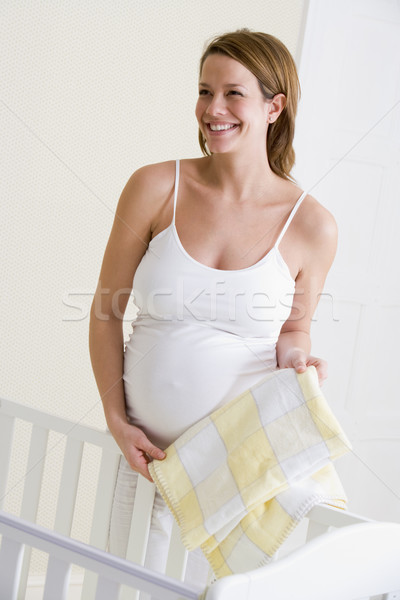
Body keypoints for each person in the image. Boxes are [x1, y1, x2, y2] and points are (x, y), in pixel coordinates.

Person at [89, 28, 336, 586]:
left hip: (236, 467)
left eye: (233, 94)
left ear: (275, 107)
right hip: (143, 456)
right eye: (204, 91)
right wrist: (115, 419)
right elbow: (106, 311)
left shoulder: (313, 225)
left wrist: (300, 362)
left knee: (215, 594)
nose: (212, 109)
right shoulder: (155, 186)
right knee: (122, 587)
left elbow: (294, 331)